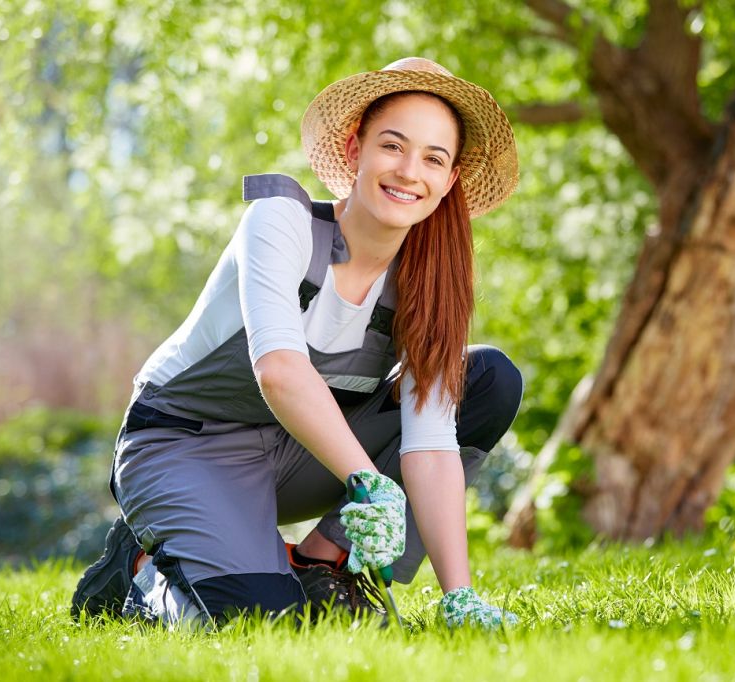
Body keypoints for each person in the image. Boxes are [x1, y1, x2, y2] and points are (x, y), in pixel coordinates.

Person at [69, 57, 522, 629]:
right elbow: (280, 371)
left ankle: (321, 563)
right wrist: (368, 483)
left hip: (296, 457)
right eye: (392, 145)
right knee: (264, 625)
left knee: (485, 380)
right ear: (355, 151)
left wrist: (460, 594)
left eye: (434, 158)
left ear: (450, 180)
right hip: (184, 447)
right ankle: (141, 576)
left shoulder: (427, 280)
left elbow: (430, 444)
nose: (410, 171)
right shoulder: (280, 220)